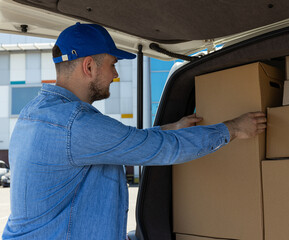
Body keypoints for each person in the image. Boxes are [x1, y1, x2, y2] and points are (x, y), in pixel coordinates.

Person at [2, 23, 266, 240]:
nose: (115, 74)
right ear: (89, 67)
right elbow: (161, 150)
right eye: (113, 64)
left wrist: (170, 127)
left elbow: (123, 143)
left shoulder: (36, 113)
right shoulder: (75, 124)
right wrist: (233, 129)